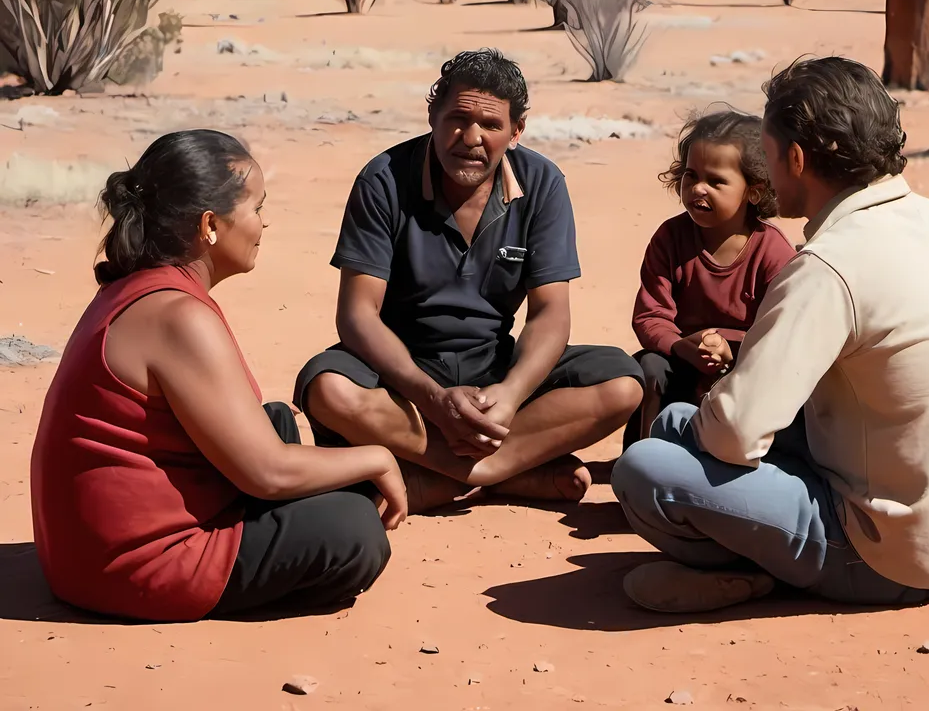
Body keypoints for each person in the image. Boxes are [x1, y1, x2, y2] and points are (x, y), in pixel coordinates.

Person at [612, 56, 929, 613]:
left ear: (796, 158)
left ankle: (757, 575)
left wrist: (720, 421)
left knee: (644, 470)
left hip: (893, 556)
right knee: (672, 423)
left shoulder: (829, 267)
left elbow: (736, 433)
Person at [31, 130, 402, 623]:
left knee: (275, 425)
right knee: (353, 528)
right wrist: (378, 457)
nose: (263, 223)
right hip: (132, 567)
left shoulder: (135, 288)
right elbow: (267, 474)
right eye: (256, 207)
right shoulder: (178, 317)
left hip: (85, 556)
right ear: (210, 225)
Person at [294, 48, 643, 512]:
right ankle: (502, 472)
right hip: (403, 376)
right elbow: (358, 315)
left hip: (493, 371)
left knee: (622, 384)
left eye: (492, 126)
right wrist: (433, 398)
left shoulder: (542, 184)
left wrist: (511, 393)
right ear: (433, 116)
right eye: (457, 119)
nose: (471, 138)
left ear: (516, 132)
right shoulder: (383, 180)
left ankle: (455, 477)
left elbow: (550, 313)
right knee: (329, 387)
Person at [626, 110, 795, 443]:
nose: (698, 189)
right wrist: (681, 347)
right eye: (691, 175)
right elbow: (650, 316)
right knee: (647, 368)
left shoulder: (772, 252)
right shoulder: (670, 238)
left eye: (716, 181)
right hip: (680, 362)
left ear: (754, 191)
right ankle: (644, 454)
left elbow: (784, 334)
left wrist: (733, 349)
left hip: (744, 369)